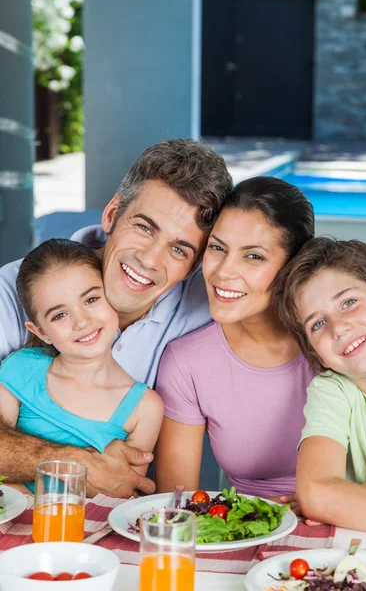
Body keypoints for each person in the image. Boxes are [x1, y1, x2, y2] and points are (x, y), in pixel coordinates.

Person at [0, 138, 233, 497]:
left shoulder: (207, 310)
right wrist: (78, 466)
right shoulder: (10, 291)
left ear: (193, 267)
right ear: (111, 214)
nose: (151, 260)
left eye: (179, 249)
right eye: (144, 227)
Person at [155, 176, 315, 508]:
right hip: (247, 532)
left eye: (253, 256)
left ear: (294, 265)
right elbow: (175, 505)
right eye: (217, 248)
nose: (224, 272)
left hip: (355, 527)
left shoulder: (333, 343)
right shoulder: (188, 362)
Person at [0, 238, 163, 493]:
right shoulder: (19, 370)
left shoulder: (145, 407)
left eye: (91, 299)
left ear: (111, 296)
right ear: (41, 331)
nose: (82, 321)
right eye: (60, 315)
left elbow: (121, 492)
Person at [272, 237, 366, 533]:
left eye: (349, 302)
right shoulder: (331, 390)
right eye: (317, 324)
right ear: (317, 353)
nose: (338, 327)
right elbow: (316, 495)